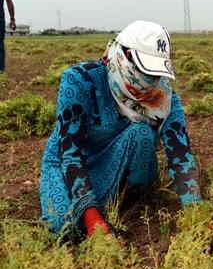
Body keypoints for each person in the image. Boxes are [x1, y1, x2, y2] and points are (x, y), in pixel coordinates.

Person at [39, 20, 202, 239]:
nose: (151, 81)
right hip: (70, 163)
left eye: (155, 74)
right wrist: (92, 218)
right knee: (65, 228)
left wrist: (195, 212)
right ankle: (93, 209)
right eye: (145, 70)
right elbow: (71, 153)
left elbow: (180, 155)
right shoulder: (80, 80)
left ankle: (133, 204)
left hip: (119, 158)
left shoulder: (163, 98)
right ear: (122, 56)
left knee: (141, 133)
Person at [0, 0, 16, 73]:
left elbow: (9, 2)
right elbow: (9, 1)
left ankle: (1, 69)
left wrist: (12, 19)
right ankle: (1, 69)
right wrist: (12, 19)